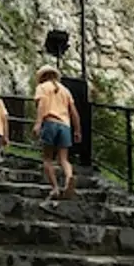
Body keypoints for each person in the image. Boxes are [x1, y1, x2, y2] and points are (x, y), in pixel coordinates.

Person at [31, 65, 82, 200]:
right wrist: (77, 130)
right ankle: (69, 178)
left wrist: (38, 123)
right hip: (65, 125)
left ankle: (55, 188)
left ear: (42, 77)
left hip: (50, 122)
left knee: (47, 159)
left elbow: (42, 105)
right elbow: (74, 111)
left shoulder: (42, 88)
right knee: (63, 159)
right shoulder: (65, 90)